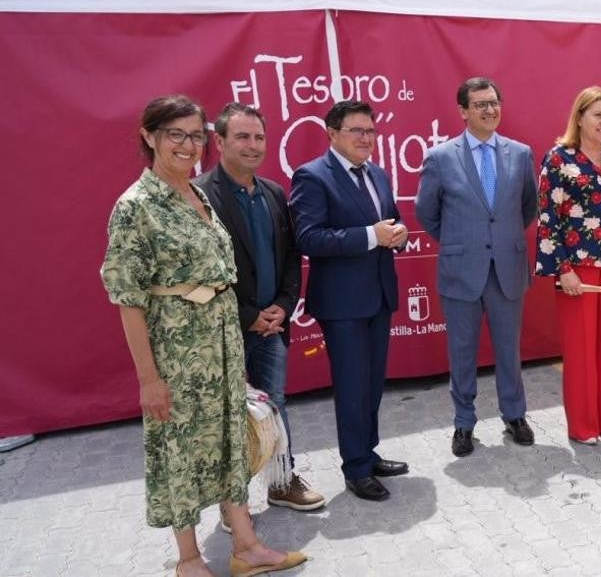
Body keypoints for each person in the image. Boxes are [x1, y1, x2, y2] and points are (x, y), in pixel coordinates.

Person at [101, 95, 305, 577]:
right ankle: (189, 559)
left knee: (232, 443)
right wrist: (149, 380)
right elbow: (128, 299)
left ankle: (247, 547)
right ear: (150, 137)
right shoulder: (136, 207)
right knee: (182, 451)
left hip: (222, 346)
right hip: (177, 354)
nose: (188, 144)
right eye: (176, 134)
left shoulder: (201, 197)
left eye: (195, 135)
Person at [194, 103, 325, 515]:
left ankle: (282, 482)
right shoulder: (199, 196)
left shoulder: (273, 192)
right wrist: (249, 313)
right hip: (225, 328)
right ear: (219, 142)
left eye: (259, 138)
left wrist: (284, 306)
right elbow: (202, 273)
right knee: (227, 414)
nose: (252, 146)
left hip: (272, 325)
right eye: (242, 137)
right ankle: (232, 503)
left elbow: (289, 257)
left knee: (275, 404)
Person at [289, 100, 409, 501]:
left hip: (379, 294)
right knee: (353, 384)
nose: (366, 138)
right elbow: (309, 239)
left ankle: (368, 452)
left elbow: (390, 220)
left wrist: (399, 233)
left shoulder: (379, 174)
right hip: (341, 304)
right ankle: (355, 468)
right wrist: (372, 235)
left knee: (373, 383)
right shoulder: (312, 176)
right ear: (332, 134)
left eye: (371, 131)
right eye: (357, 131)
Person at [415, 77, 539, 458]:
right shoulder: (440, 158)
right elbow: (427, 212)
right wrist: (460, 241)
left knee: (508, 349)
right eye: (480, 104)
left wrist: (500, 239)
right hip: (461, 270)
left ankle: (514, 415)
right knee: (462, 351)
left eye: (494, 102)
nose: (489, 110)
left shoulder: (520, 154)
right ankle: (464, 423)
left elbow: (528, 207)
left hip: (507, 267)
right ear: (463, 112)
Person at [535, 86, 601, 445]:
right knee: (581, 349)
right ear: (580, 117)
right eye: (597, 115)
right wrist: (563, 269)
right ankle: (584, 426)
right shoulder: (559, 159)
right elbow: (548, 218)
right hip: (578, 267)